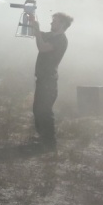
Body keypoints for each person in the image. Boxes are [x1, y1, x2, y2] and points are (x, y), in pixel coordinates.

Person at [29, 12, 73, 149]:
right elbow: (34, 33)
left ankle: (49, 143)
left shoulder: (60, 40)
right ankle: (43, 137)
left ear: (62, 25)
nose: (51, 23)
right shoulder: (51, 36)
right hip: (43, 79)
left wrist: (37, 32)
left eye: (55, 21)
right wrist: (31, 19)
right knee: (37, 109)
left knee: (45, 111)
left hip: (49, 81)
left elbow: (42, 47)